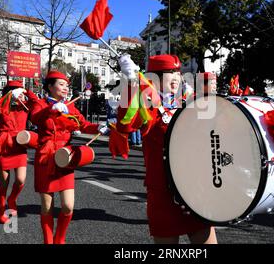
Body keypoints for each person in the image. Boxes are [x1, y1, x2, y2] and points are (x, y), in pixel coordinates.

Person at [116, 54, 217, 244]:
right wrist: (131, 86)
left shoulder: (188, 99)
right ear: (154, 77)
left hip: (194, 188)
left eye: (178, 72)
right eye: (170, 73)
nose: (177, 77)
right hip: (163, 192)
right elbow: (125, 125)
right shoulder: (148, 104)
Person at [30, 71, 106, 244]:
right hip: (46, 157)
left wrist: (98, 127)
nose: (65, 88)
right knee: (47, 206)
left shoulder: (70, 106)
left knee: (68, 206)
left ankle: (60, 237)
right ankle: (48, 241)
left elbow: (83, 124)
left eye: (67, 85)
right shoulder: (40, 103)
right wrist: (51, 109)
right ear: (50, 86)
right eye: (61, 84)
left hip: (65, 157)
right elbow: (35, 118)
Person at [0, 80, 39, 223]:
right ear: (8, 92)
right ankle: (1, 211)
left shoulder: (24, 106)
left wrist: (27, 91)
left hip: (20, 144)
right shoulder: (1, 104)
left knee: (20, 180)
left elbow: (37, 102)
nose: (18, 94)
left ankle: (12, 198)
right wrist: (9, 96)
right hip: (4, 145)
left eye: (20, 91)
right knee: (4, 182)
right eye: (15, 91)